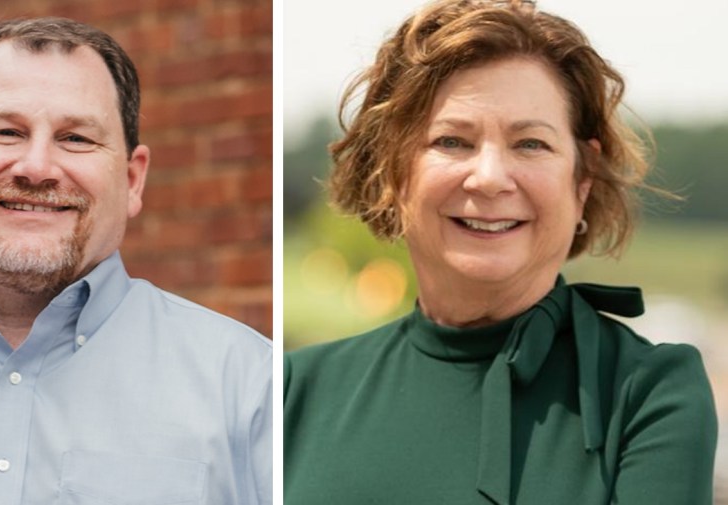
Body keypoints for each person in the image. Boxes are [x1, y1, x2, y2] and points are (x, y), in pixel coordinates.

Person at [284, 1, 717, 503]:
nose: (489, 177)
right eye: (452, 141)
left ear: (581, 178)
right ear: (394, 175)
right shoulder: (297, 388)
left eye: (531, 144)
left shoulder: (648, 393)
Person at [0, 18, 272, 505]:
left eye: (77, 138)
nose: (37, 168)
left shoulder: (251, 389)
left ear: (133, 180)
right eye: (5, 131)